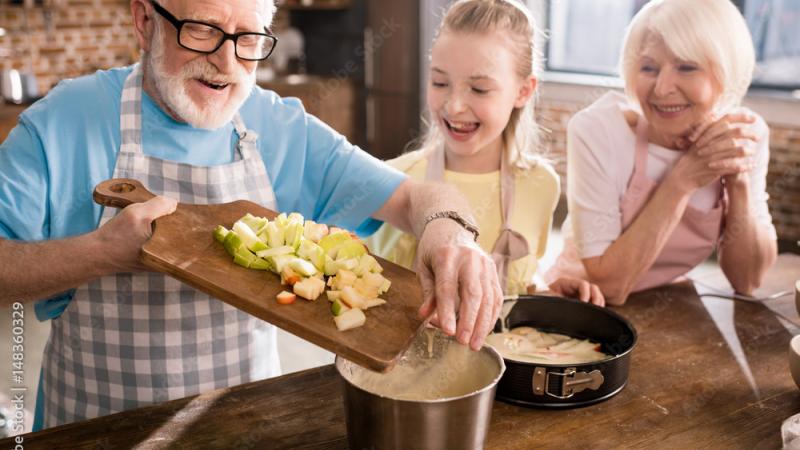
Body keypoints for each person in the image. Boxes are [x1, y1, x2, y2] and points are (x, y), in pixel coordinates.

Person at [0, 0, 502, 429]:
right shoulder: (62, 121)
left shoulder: (279, 127)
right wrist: (100, 254)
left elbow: (421, 197)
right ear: (144, 20)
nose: (226, 61)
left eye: (248, 37)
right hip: (95, 425)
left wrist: (451, 234)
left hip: (244, 424)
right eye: (202, 29)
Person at [365, 0, 604, 305]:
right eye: (440, 82)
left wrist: (546, 293)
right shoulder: (396, 179)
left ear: (523, 91)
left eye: (478, 89)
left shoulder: (540, 184)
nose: (454, 106)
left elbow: (519, 281)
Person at [546, 0, 777, 304]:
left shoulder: (744, 134)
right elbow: (611, 287)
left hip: (669, 301)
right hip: (582, 305)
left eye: (686, 67)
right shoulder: (598, 131)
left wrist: (738, 179)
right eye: (648, 68)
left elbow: (747, 280)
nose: (662, 88)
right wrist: (683, 180)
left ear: (727, 70)